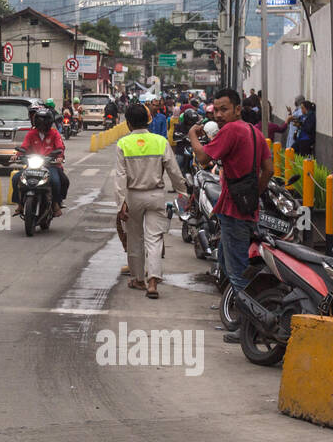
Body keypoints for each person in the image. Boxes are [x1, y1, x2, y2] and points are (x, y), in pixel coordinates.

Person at [189, 88, 273, 341]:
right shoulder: (254, 132)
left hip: (234, 211)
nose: (220, 114)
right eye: (216, 110)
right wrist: (252, 196)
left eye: (225, 109)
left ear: (238, 109)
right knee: (227, 262)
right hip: (246, 209)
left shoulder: (232, 130)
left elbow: (203, 158)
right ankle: (237, 314)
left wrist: (193, 135)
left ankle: (250, 325)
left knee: (237, 270)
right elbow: (268, 170)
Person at [114, 103, 187, 298]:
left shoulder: (123, 144)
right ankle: (153, 281)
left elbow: (120, 177)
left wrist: (121, 203)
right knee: (154, 238)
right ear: (149, 120)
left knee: (134, 239)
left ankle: (138, 279)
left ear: (127, 123)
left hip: (132, 196)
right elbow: (173, 170)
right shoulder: (160, 142)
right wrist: (184, 192)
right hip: (156, 195)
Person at [11, 105, 68, 215]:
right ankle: (20, 204)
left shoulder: (54, 133)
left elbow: (60, 147)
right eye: (39, 120)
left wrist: (60, 157)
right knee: (16, 178)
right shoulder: (31, 133)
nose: (42, 123)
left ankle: (56, 203)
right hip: (33, 165)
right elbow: (24, 147)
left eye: (44, 121)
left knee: (56, 181)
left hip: (51, 165)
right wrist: (17, 155)